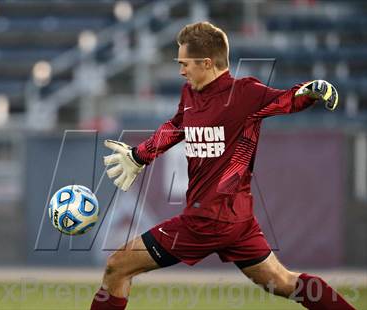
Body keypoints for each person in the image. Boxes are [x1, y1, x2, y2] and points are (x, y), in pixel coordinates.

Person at [90, 22, 353, 310]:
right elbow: (178, 126)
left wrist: (312, 90)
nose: (181, 70)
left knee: (117, 266)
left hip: (205, 222)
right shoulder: (190, 94)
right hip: (237, 223)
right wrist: (139, 156)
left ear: (206, 62)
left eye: (185, 63)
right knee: (284, 282)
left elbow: (285, 100)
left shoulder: (244, 94)